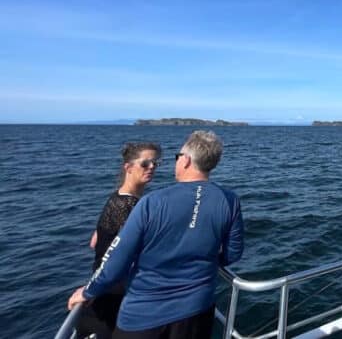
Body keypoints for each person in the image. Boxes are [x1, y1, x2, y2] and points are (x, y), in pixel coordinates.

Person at [68, 130, 244, 339]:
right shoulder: (230, 200)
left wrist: (89, 291)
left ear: (186, 161)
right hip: (198, 310)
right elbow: (233, 254)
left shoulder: (152, 202)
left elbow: (117, 259)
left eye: (177, 157)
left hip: (144, 316)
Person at [76, 142, 162, 339]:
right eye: (145, 164)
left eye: (155, 164)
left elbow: (95, 242)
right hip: (114, 294)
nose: (152, 168)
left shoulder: (118, 199)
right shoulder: (127, 205)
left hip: (107, 288)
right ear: (128, 167)